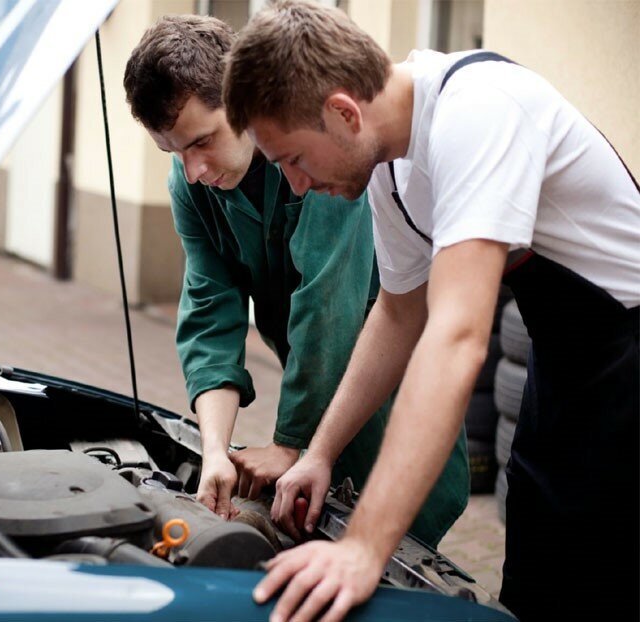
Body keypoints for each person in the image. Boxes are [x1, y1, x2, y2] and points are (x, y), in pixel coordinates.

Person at [223, 2, 640, 621]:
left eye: (293, 159)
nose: (296, 186)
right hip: (563, 365)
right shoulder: (391, 166)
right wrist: (320, 452)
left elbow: (456, 337)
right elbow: (398, 315)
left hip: (627, 355)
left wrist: (365, 547)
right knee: (534, 577)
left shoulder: (479, 110)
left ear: (343, 112)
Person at [122, 15, 468, 548]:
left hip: (387, 382)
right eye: (174, 153)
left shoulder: (316, 156)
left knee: (400, 545)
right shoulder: (193, 184)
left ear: (238, 103)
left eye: (202, 141)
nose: (193, 170)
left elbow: (327, 304)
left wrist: (287, 444)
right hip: (313, 390)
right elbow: (210, 311)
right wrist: (215, 449)